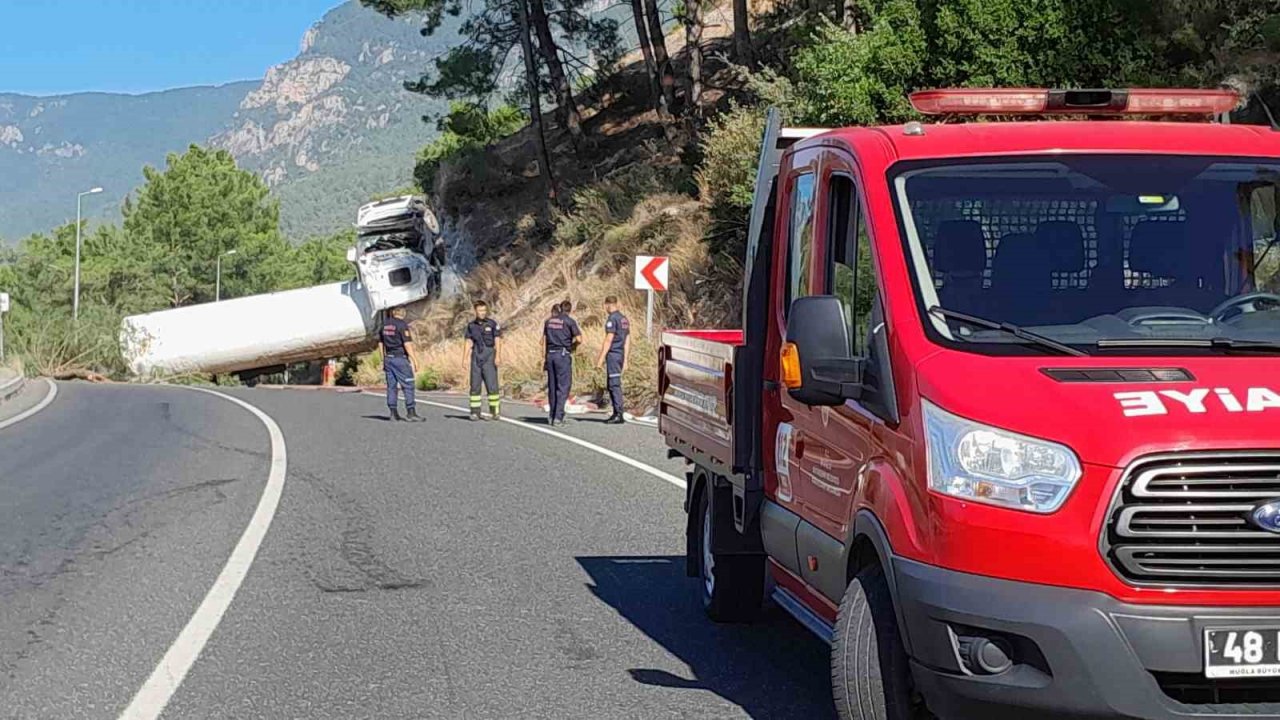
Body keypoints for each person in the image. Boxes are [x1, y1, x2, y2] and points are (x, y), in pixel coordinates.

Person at [542, 299, 581, 426]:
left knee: (552, 387)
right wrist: (571, 345)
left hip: (550, 355)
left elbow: (543, 340)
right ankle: (558, 417)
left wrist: (544, 358)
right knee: (563, 386)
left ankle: (551, 415)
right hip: (562, 355)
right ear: (569, 310)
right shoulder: (570, 322)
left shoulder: (548, 322)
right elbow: (579, 339)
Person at [462, 300, 502, 421]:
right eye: (480, 310)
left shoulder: (492, 323)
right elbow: (468, 342)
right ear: (475, 311)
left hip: (489, 355)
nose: (482, 313)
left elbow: (498, 340)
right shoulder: (471, 326)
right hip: (476, 355)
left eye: (484, 310)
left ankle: (494, 411)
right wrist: (464, 358)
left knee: (492, 385)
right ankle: (475, 412)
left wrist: (498, 355)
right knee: (475, 385)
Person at [380, 305, 421, 422]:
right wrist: (414, 359)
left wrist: (383, 358)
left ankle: (393, 413)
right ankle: (411, 412)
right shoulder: (402, 325)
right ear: (403, 313)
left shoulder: (384, 325)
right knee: (408, 385)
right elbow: (407, 344)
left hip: (388, 359)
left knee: (391, 387)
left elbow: (380, 343)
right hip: (400, 359)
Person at [594, 295, 631, 424]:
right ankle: (616, 411)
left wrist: (600, 360)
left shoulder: (612, 319)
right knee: (612, 384)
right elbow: (627, 340)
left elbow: (608, 340)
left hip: (613, 355)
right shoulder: (624, 319)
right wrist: (625, 359)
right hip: (620, 355)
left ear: (608, 305)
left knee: (614, 384)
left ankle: (619, 413)